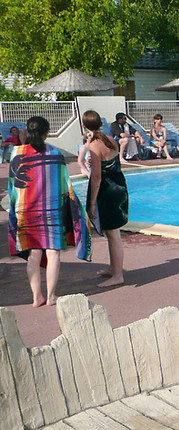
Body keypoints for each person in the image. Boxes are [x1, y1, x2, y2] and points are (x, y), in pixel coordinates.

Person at [7, 116, 92, 306]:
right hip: (51, 211)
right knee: (53, 254)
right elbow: (65, 186)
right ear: (47, 133)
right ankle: (51, 296)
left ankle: (36, 297)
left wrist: (14, 211)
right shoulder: (55, 153)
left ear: (28, 131)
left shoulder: (17, 153)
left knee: (34, 254)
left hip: (26, 211)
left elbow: (13, 186)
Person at [84, 110, 129, 288]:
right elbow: (110, 161)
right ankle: (113, 269)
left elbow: (96, 177)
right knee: (112, 234)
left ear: (84, 126)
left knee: (113, 235)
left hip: (107, 191)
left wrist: (92, 203)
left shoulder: (94, 145)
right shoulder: (109, 138)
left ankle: (118, 275)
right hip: (119, 186)